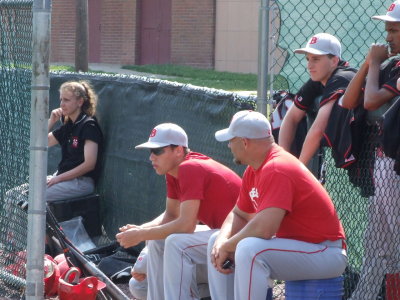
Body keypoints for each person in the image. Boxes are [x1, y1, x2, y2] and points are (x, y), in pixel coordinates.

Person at [208, 110, 347, 300]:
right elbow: (238, 214)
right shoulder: (255, 169)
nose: (229, 146)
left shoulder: (277, 167)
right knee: (215, 240)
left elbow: (265, 228)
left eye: (231, 140)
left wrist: (228, 245)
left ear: (244, 142)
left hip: (325, 252)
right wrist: (222, 241)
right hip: (303, 248)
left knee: (250, 249)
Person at [116, 123, 241, 300]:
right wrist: (140, 230)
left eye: (158, 151)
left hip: (238, 239)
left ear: (179, 151)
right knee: (154, 249)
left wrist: (141, 234)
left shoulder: (190, 167)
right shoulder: (174, 171)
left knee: (175, 242)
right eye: (150, 151)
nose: (152, 157)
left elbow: (186, 225)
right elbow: (171, 215)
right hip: (219, 239)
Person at [341, 1, 400, 299]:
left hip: (396, 164)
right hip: (382, 163)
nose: (387, 36)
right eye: (387, 28)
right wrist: (368, 62)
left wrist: (375, 64)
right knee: (376, 242)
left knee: (396, 242)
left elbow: (371, 101)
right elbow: (348, 102)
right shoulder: (391, 65)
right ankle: (363, 296)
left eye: (394, 29)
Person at [279, 33, 357, 167]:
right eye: (308, 59)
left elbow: (318, 129)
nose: (309, 65)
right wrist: (283, 158)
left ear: (334, 61)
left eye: (315, 59)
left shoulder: (342, 77)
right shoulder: (320, 78)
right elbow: (291, 117)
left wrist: (297, 169)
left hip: (376, 148)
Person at [129, 246, 210, 300]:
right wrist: (139, 269)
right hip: (181, 274)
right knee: (136, 285)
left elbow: (158, 239)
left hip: (205, 259)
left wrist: (139, 267)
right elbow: (152, 242)